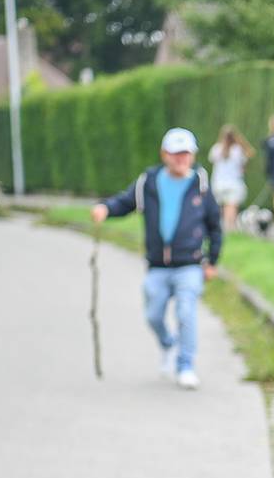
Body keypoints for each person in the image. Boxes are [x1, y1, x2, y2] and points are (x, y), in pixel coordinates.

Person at [91, 127, 222, 390]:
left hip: (190, 264)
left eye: (185, 154)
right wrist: (105, 208)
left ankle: (185, 366)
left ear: (193, 155)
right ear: (165, 154)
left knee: (186, 312)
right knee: (153, 314)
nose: (181, 159)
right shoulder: (148, 183)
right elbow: (124, 202)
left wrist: (213, 262)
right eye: (175, 154)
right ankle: (167, 343)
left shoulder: (202, 187)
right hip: (158, 266)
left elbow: (215, 227)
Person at [208, 124, 255, 232]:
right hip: (234, 183)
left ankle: (221, 228)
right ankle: (230, 228)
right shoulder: (238, 150)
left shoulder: (216, 148)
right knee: (231, 207)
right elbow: (248, 157)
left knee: (220, 207)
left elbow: (212, 161)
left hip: (218, 182)